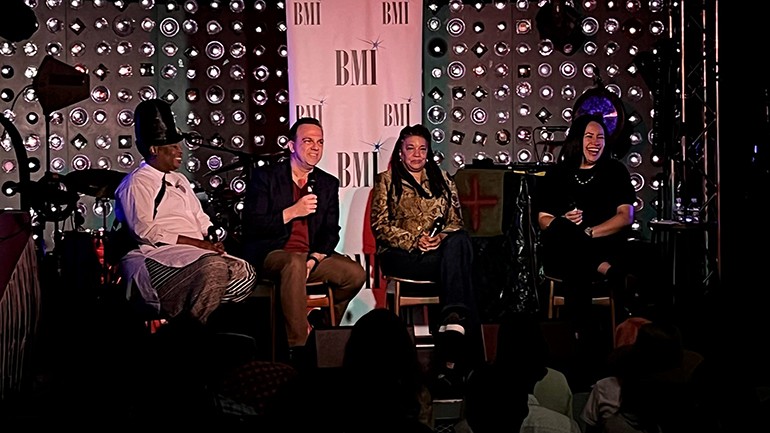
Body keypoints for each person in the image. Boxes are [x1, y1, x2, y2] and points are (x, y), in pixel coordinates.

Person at [113, 99, 256, 324]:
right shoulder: (137, 183)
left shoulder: (179, 179)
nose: (179, 150)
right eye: (172, 146)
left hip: (198, 256)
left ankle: (200, 320)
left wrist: (211, 237)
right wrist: (198, 245)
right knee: (214, 268)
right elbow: (145, 231)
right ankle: (192, 335)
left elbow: (199, 217)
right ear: (154, 149)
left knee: (243, 271)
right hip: (158, 258)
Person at [370, 123, 481, 395]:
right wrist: (414, 240)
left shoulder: (442, 178)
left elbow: (456, 222)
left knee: (460, 241)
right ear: (400, 153)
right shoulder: (386, 180)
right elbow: (379, 226)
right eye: (411, 149)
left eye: (422, 149)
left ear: (429, 152)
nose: (417, 154)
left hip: (439, 254)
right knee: (462, 263)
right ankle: (462, 344)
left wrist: (440, 238)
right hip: (403, 255)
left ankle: (453, 322)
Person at [242, 117, 366, 357]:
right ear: (291, 146)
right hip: (272, 253)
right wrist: (291, 212)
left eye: (320, 142)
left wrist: (315, 259)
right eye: (308, 141)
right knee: (293, 262)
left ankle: (322, 331)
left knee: (354, 274)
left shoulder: (327, 183)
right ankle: (299, 348)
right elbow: (252, 226)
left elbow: (331, 232)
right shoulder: (266, 177)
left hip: (308, 259)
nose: (315, 147)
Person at [535, 114, 637, 347]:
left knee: (575, 255)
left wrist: (589, 233)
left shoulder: (615, 171)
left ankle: (578, 336)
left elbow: (626, 216)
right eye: (589, 136)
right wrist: (563, 220)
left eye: (600, 137)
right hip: (563, 249)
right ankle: (605, 270)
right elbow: (543, 220)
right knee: (561, 228)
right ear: (577, 140)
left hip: (601, 244)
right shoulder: (557, 174)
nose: (595, 142)